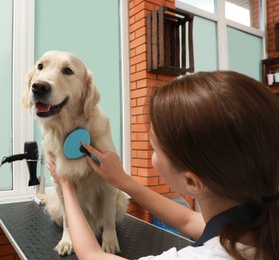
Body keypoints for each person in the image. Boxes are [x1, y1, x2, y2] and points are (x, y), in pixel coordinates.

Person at [47, 71, 279, 260]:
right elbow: (189, 221)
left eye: (154, 148)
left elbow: (92, 255)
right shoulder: (259, 212)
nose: (151, 153)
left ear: (191, 181)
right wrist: (124, 181)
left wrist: (66, 184)